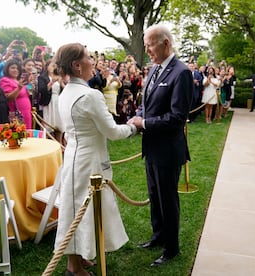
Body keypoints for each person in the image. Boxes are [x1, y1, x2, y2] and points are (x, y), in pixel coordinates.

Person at [53, 43, 137, 276]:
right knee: (80, 209)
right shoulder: (90, 95)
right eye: (88, 58)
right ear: (77, 65)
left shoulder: (65, 91)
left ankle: (80, 255)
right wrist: (133, 127)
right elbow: (112, 132)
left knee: (77, 208)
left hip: (73, 157)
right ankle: (73, 267)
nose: (93, 62)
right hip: (88, 161)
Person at [127, 24, 193, 267]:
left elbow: (176, 119)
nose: (147, 50)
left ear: (166, 43)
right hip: (151, 148)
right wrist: (136, 119)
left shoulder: (181, 73)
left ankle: (171, 248)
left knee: (167, 200)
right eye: (145, 45)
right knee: (155, 196)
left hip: (168, 150)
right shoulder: (154, 70)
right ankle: (158, 236)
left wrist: (143, 122)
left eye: (150, 44)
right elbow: (146, 105)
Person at [0, 59, 32, 128]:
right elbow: (9, 98)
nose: (15, 70)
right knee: (19, 135)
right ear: (7, 69)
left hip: (27, 112)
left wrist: (29, 84)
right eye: (13, 68)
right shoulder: (5, 80)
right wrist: (19, 88)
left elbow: (29, 94)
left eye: (17, 68)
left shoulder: (19, 80)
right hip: (17, 114)